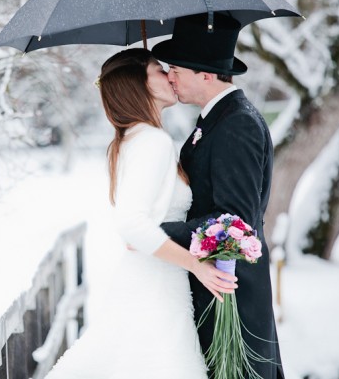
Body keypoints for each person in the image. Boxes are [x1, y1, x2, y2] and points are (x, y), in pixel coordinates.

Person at [44, 48, 237, 379]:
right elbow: (131, 223)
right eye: (159, 71)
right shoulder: (151, 141)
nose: (170, 76)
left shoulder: (134, 138)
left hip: (152, 281)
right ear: (140, 85)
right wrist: (196, 264)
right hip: (156, 289)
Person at [151, 13, 284, 378]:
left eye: (176, 68)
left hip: (230, 292)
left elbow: (233, 220)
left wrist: (157, 233)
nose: (170, 76)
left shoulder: (236, 124)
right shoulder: (218, 118)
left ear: (205, 74)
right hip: (215, 282)